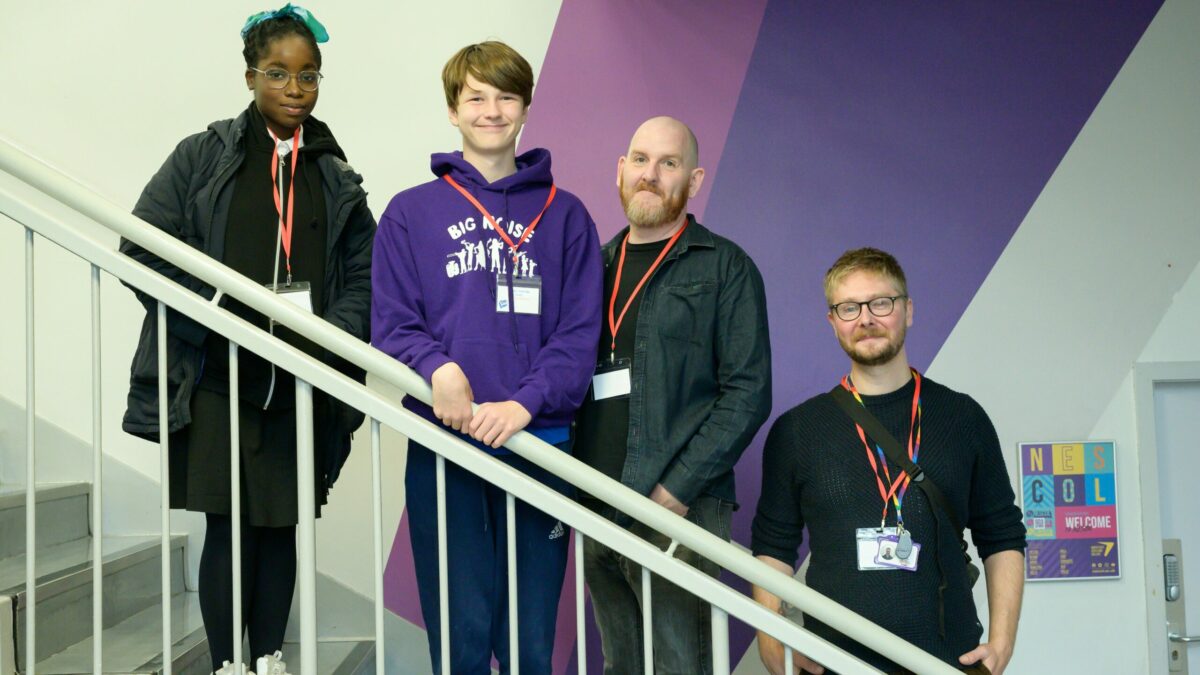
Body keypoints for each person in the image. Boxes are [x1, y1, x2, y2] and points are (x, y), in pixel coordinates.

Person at [119, 5, 375, 672]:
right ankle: (229, 663)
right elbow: (140, 246)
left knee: (279, 526)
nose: (295, 88)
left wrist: (325, 340)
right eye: (278, 73)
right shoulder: (203, 154)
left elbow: (365, 278)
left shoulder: (334, 174)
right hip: (215, 378)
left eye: (308, 75)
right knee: (228, 526)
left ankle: (268, 660)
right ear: (249, 77)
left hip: (294, 383)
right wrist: (217, 318)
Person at [370, 41, 602, 674]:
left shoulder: (568, 215)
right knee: (459, 626)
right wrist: (440, 370)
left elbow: (581, 335)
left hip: (540, 441)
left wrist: (523, 405)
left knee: (531, 635)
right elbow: (392, 322)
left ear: (526, 106)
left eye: (506, 96)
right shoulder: (409, 213)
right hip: (448, 440)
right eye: (475, 96)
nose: (491, 110)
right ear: (452, 110)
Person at [751, 247, 1026, 675]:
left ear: (908, 310)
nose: (866, 319)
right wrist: (770, 640)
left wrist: (1003, 641)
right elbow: (773, 546)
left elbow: (1002, 534)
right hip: (834, 663)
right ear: (832, 322)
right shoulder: (798, 431)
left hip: (948, 661)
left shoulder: (962, 418)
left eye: (881, 302)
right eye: (848, 307)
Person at [572, 116, 772, 674]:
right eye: (639, 160)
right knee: (623, 666)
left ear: (695, 179)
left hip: (678, 509)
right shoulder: (593, 266)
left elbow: (748, 392)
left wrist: (674, 494)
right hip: (597, 502)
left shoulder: (725, 267)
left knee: (680, 667)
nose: (650, 175)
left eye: (669, 163)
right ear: (620, 169)